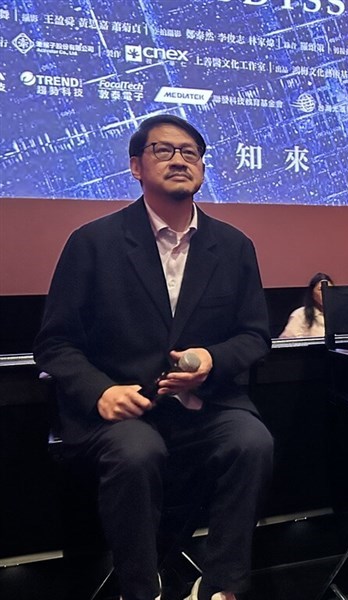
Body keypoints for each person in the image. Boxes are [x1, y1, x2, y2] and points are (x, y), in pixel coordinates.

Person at [34, 114, 273, 600]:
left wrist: (211, 359)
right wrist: (100, 392)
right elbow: (54, 343)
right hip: (125, 410)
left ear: (202, 167)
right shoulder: (93, 242)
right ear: (136, 167)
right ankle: (141, 590)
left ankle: (221, 587)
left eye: (190, 152)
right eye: (163, 150)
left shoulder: (233, 245)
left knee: (253, 442)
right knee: (137, 453)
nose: (179, 160)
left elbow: (254, 335)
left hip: (206, 407)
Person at [279, 272, 333, 338]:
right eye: (320, 289)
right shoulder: (300, 315)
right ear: (312, 293)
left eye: (329, 289)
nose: (326, 292)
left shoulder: (339, 314)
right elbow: (288, 339)